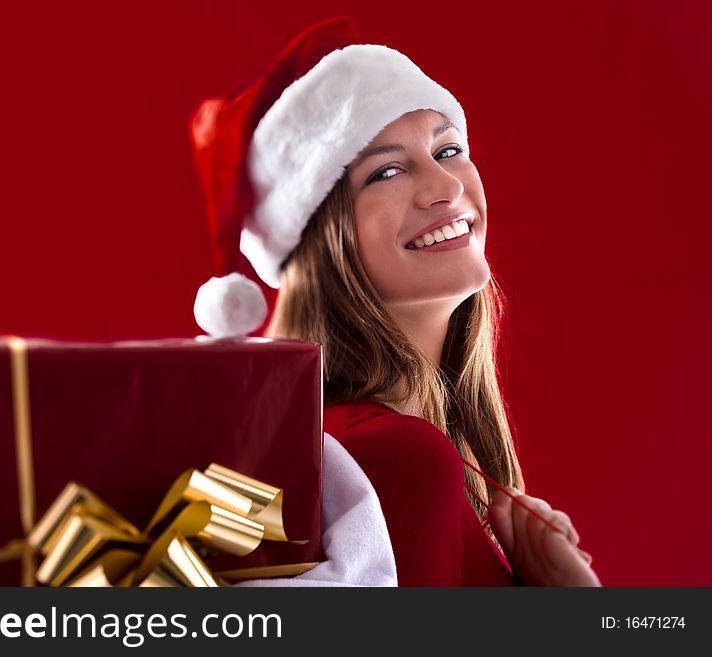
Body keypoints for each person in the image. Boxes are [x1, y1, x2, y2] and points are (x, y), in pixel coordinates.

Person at [190, 17, 600, 586]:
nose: (446, 187)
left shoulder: (385, 447)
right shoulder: (394, 456)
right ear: (323, 243)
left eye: (448, 149)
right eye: (386, 171)